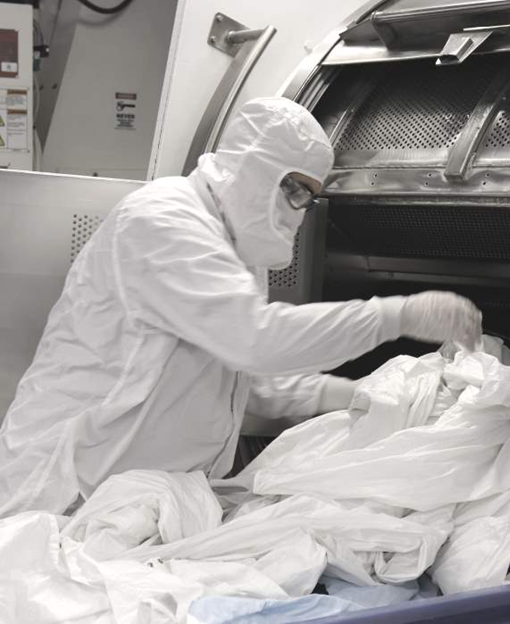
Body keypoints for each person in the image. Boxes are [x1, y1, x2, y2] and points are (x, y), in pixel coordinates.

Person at [0, 97, 481, 517]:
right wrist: (396, 316)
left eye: (309, 198)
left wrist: (352, 395)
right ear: (253, 168)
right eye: (293, 189)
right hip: (67, 489)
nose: (298, 210)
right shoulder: (165, 220)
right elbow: (257, 342)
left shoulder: (236, 246)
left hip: (137, 500)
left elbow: (238, 384)